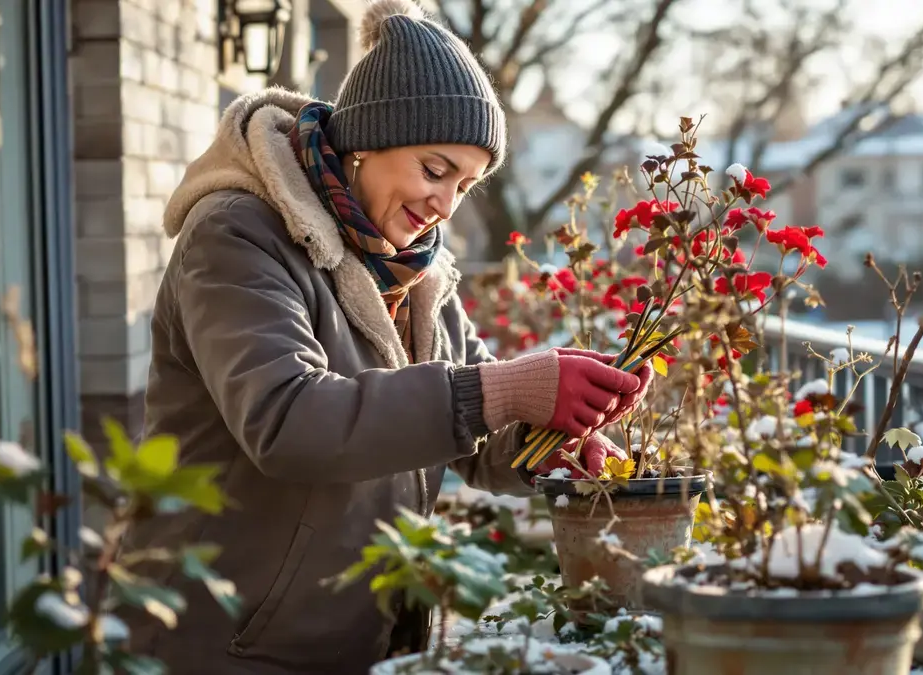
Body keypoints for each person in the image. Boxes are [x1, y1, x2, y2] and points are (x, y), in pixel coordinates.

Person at [119, 1, 652, 673]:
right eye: (435, 170)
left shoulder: (414, 270)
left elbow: (467, 418)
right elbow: (287, 420)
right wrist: (506, 389)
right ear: (364, 141)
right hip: (219, 641)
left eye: (465, 184)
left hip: (351, 641)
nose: (446, 205)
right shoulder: (236, 234)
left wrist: (551, 439)